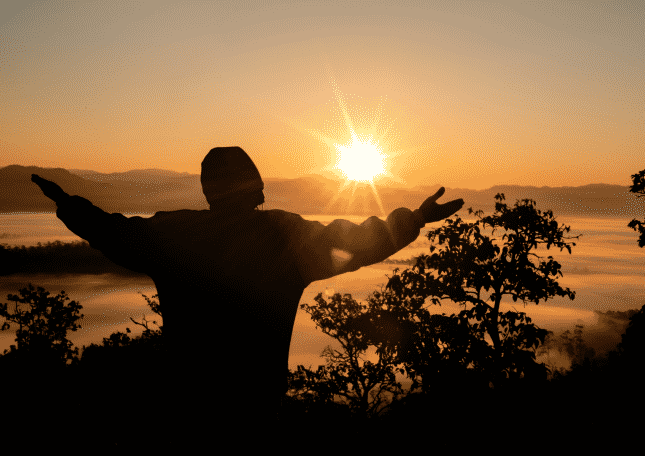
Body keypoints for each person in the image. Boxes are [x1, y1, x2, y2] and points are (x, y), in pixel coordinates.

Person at [31, 146, 463, 437]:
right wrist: (415, 219)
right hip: (257, 413)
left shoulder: (176, 234)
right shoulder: (284, 236)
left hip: (184, 412)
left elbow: (111, 231)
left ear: (207, 190)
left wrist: (67, 204)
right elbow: (357, 241)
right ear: (256, 187)